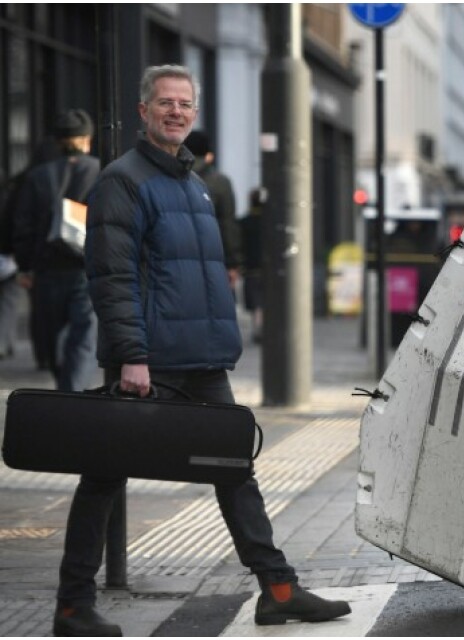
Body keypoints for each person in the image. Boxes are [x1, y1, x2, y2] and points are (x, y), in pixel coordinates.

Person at [54, 65, 350, 637]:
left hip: (201, 361)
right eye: (164, 103)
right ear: (144, 111)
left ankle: (278, 588)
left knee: (236, 471)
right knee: (103, 479)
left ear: (194, 113)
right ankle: (72, 606)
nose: (175, 112)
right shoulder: (123, 180)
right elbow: (112, 277)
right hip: (150, 361)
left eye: (184, 104)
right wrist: (131, 356)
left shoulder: (193, 184)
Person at [9, 109, 100, 391]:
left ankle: (66, 387)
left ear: (58, 141)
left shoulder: (38, 176)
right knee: (84, 334)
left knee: (53, 334)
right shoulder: (100, 171)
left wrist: (25, 267)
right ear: (87, 139)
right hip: (86, 267)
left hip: (47, 269)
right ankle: (73, 392)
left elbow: (22, 225)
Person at [184, 129, 243, 288]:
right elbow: (227, 224)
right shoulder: (220, 182)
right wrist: (232, 263)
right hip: (211, 259)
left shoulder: (169, 176)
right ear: (209, 155)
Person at [239, 187, 266, 342]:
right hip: (266, 267)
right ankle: (262, 327)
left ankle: (257, 327)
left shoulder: (245, 222)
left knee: (255, 302)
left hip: (250, 268)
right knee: (264, 300)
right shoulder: (269, 223)